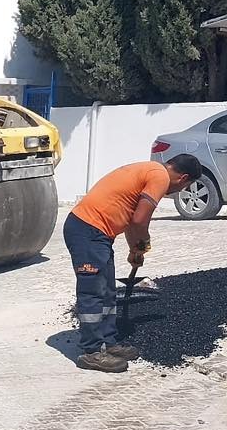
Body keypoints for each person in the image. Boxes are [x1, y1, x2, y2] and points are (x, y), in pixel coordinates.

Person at [65, 155, 203, 373]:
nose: (179, 190)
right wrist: (143, 243)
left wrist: (135, 250)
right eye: (185, 186)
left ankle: (109, 343)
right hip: (86, 230)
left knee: (108, 291)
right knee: (92, 292)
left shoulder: (150, 171)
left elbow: (131, 221)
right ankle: (90, 352)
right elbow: (140, 220)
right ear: (183, 177)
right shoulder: (160, 177)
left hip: (97, 233)